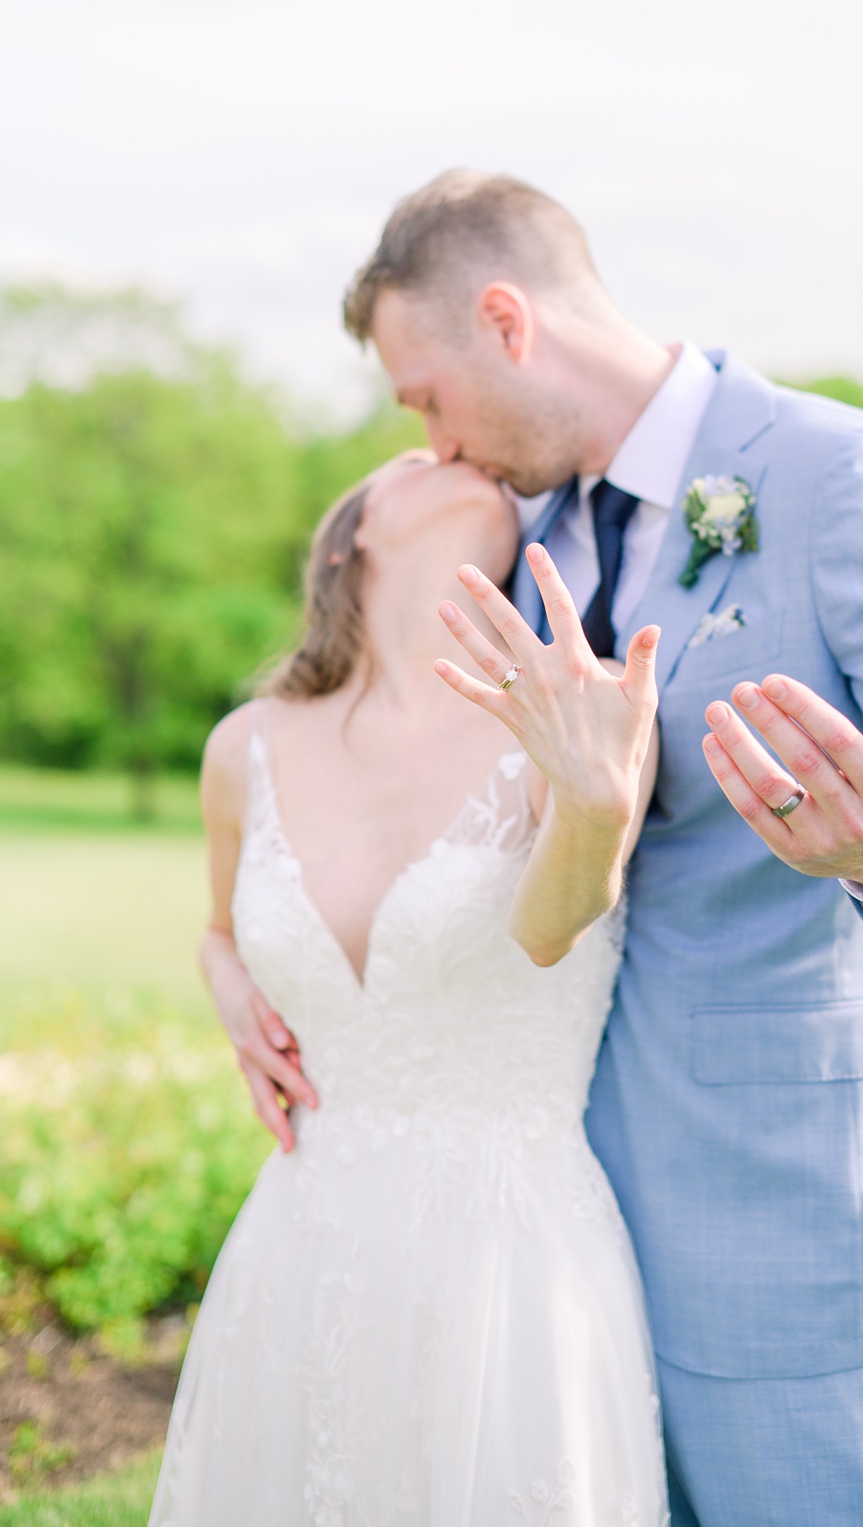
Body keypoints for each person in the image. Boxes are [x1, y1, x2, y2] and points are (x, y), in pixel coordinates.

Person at [200, 171, 863, 1525]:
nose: (434, 445)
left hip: (780, 1217)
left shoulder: (840, 475)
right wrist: (243, 965)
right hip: (539, 1253)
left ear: (505, 318)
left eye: (425, 396)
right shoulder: (513, 535)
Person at [158, 453, 671, 1522]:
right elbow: (219, 932)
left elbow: (552, 928)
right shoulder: (242, 746)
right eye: (416, 455)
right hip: (303, 1238)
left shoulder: (577, 707)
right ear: (352, 539)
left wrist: (593, 806)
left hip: (510, 1249)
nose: (454, 453)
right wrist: (228, 991)